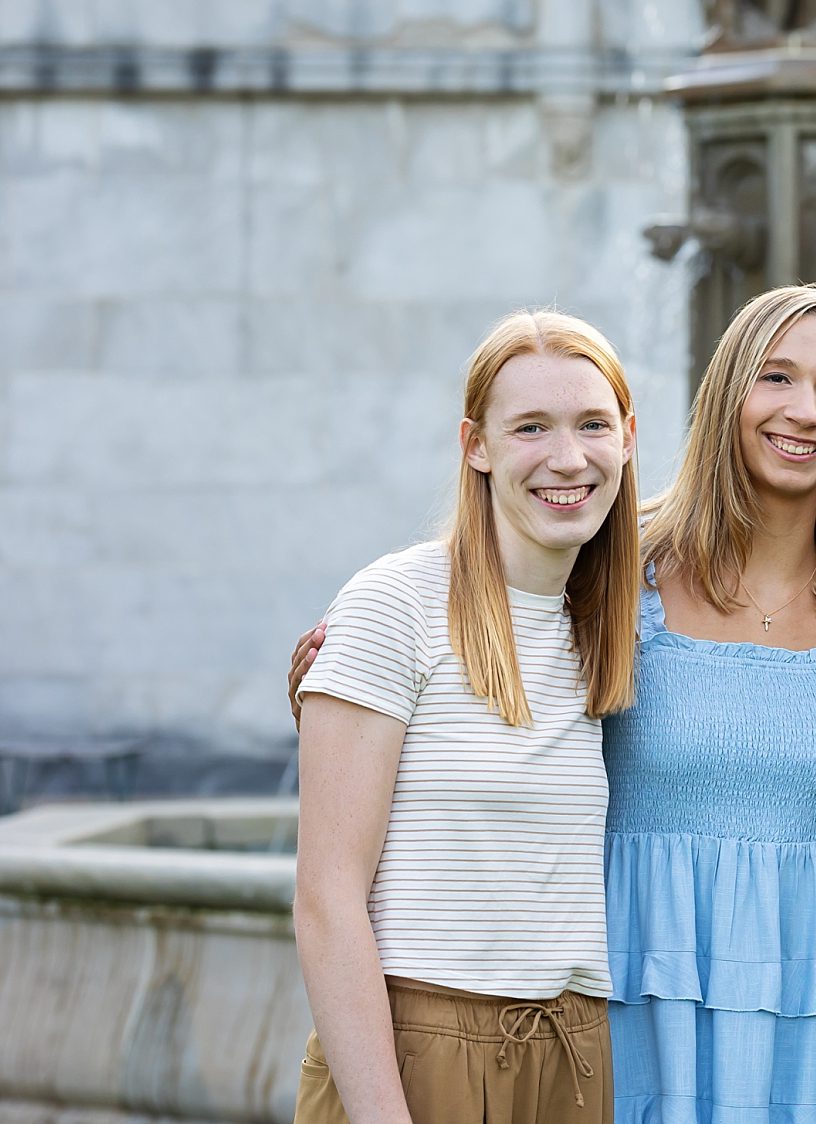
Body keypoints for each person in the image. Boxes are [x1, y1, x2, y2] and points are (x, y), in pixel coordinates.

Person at [291, 310, 639, 1124]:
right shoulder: (395, 603)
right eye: (531, 427)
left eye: (592, 424)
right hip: (423, 1051)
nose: (568, 458)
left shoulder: (608, 626)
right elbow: (326, 897)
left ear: (627, 438)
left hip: (574, 1052)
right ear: (475, 445)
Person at [603, 282, 816, 1123]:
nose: (804, 411)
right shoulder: (621, 568)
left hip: (800, 1004)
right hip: (632, 988)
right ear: (729, 390)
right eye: (776, 378)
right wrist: (369, 645)